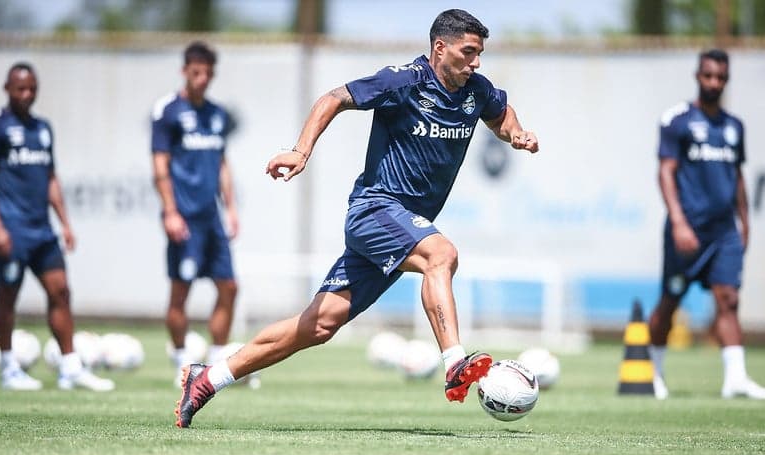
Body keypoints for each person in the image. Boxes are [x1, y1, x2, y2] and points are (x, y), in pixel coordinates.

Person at [174, 9, 539, 428]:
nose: (475, 62)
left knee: (317, 325)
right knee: (441, 255)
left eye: (479, 54)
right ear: (440, 48)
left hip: (400, 227)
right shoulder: (403, 81)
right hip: (375, 210)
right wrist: (300, 151)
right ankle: (454, 361)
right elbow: (333, 98)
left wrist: (516, 133)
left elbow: (501, 113)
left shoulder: (477, 89)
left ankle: (209, 378)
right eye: (468, 52)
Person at [648, 49, 765, 400]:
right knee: (671, 300)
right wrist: (678, 222)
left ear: (727, 80)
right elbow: (666, 172)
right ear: (698, 76)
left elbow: (737, 176)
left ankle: (736, 379)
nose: (714, 82)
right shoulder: (677, 120)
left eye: (721, 77)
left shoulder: (734, 126)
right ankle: (654, 374)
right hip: (688, 230)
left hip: (724, 232)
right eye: (708, 75)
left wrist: (745, 222)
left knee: (729, 299)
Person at [0, 62, 114, 391]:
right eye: (20, 88)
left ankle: (70, 367)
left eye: (32, 88)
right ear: (7, 89)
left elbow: (50, 179)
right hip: (11, 229)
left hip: (42, 231)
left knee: (61, 291)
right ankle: (8, 368)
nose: (27, 94)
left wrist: (65, 223)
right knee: (8, 294)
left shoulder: (42, 128)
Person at [151, 41, 249, 388]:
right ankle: (181, 360)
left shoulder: (216, 114)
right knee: (181, 291)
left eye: (208, 73)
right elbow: (160, 166)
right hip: (184, 217)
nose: (202, 79)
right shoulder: (168, 112)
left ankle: (218, 358)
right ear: (185, 72)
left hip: (211, 218)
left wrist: (231, 208)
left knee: (229, 287)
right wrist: (170, 212)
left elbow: (222, 164)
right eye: (196, 72)